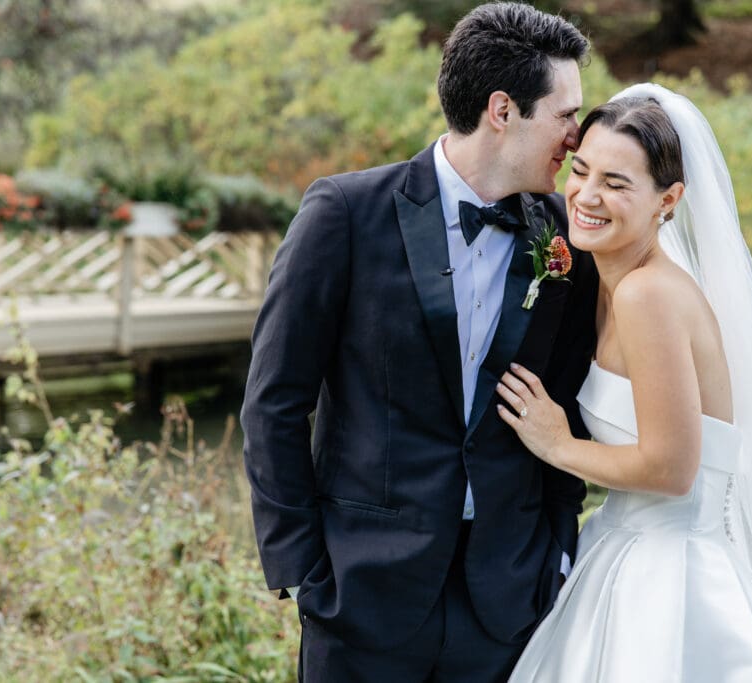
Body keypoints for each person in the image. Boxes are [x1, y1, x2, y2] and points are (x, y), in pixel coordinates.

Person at [240, 4, 599, 681]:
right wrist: (306, 569)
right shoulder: (343, 214)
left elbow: (568, 396)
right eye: (565, 114)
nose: (578, 137)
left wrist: (556, 551)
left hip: (506, 598)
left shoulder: (563, 235)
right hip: (361, 594)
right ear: (502, 110)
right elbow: (274, 401)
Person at [498, 84, 752, 681]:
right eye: (581, 170)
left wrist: (557, 444)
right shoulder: (614, 282)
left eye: (617, 183)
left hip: (669, 578)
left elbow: (672, 470)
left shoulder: (649, 295)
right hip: (627, 549)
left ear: (669, 199)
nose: (587, 195)